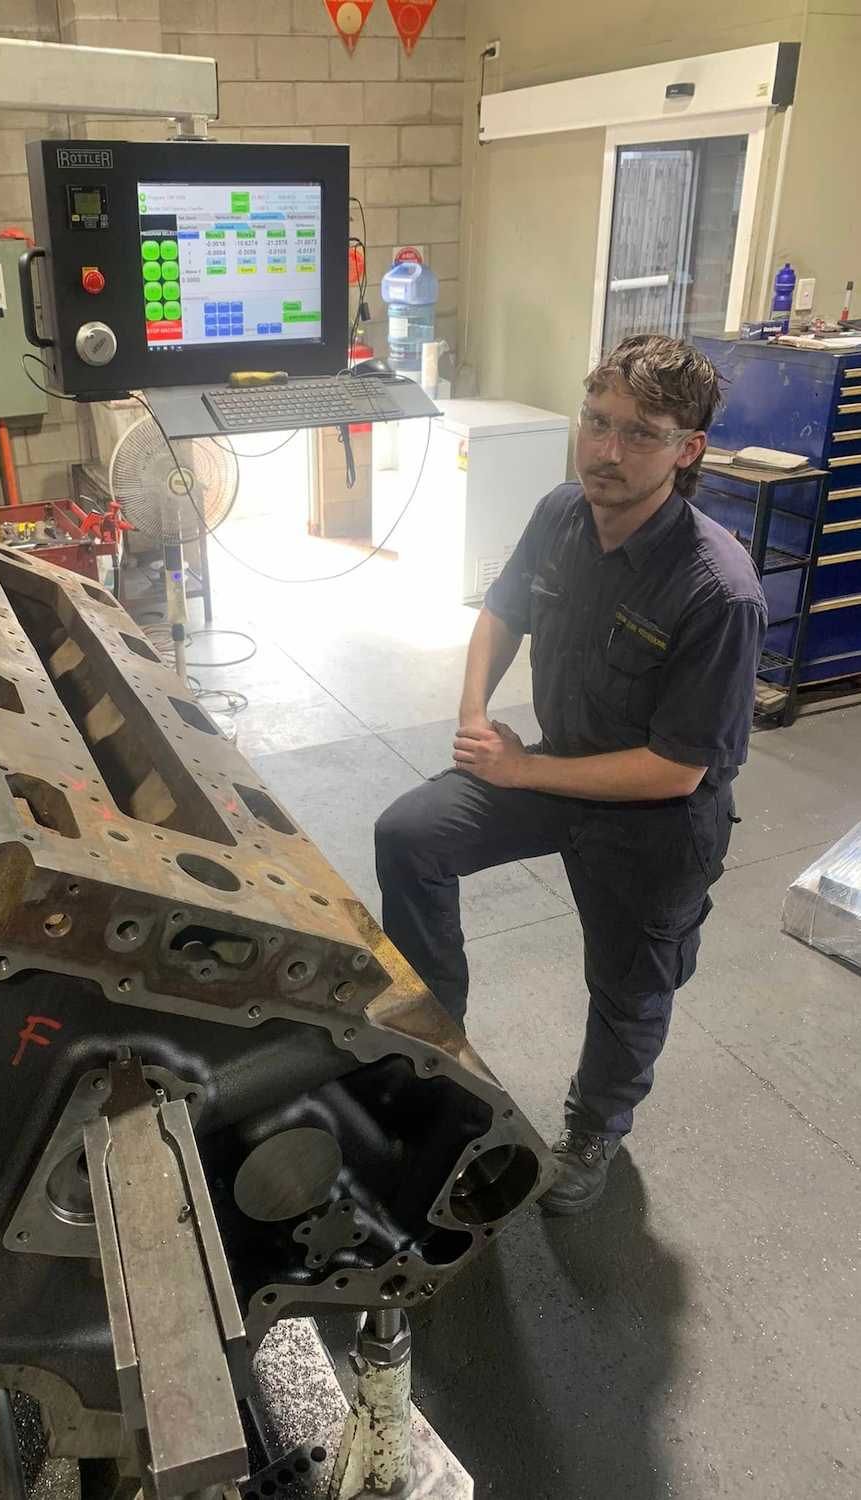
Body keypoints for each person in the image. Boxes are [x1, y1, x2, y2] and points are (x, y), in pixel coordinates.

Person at [374, 334, 767, 1216]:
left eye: (640, 434)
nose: (606, 451)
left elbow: (674, 771)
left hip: (656, 822)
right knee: (411, 835)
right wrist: (474, 713)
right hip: (550, 770)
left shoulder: (717, 591)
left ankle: (594, 1127)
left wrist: (519, 771)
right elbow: (503, 610)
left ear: (687, 450)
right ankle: (441, 1052)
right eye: (597, 422)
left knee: (628, 990)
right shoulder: (559, 512)